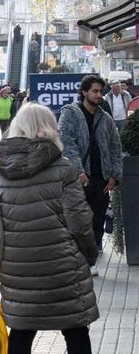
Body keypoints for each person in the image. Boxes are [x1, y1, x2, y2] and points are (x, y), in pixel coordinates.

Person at [0, 104, 109, 354]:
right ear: (50, 128)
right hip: (63, 264)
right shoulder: (62, 167)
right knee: (75, 330)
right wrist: (88, 254)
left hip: (17, 264)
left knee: (20, 332)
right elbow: (79, 219)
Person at [58, 75, 122, 266]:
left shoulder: (105, 118)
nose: (99, 95)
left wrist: (114, 175)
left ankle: (95, 247)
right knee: (78, 215)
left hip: (101, 176)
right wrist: (77, 169)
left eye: (101, 91)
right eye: (94, 91)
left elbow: (115, 147)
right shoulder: (70, 114)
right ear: (84, 92)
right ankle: (81, 251)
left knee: (99, 214)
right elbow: (66, 143)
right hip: (78, 177)